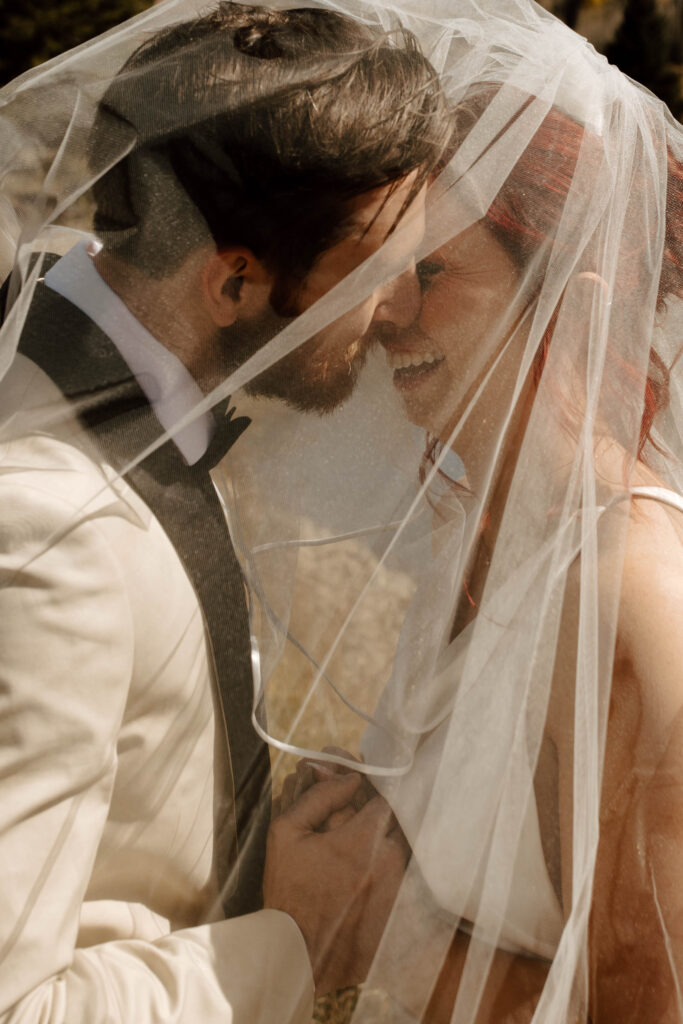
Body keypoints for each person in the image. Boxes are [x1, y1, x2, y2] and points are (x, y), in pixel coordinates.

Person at [228, 4, 683, 1022]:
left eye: (429, 274)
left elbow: (646, 1004)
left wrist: (376, 921)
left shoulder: (627, 591)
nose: (383, 313)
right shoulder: (468, 538)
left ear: (569, 298)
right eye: (389, 270)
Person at [0, 3, 451, 1021]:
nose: (399, 313)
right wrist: (288, 938)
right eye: (376, 277)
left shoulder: (94, 349)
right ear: (235, 279)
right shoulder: (48, 544)